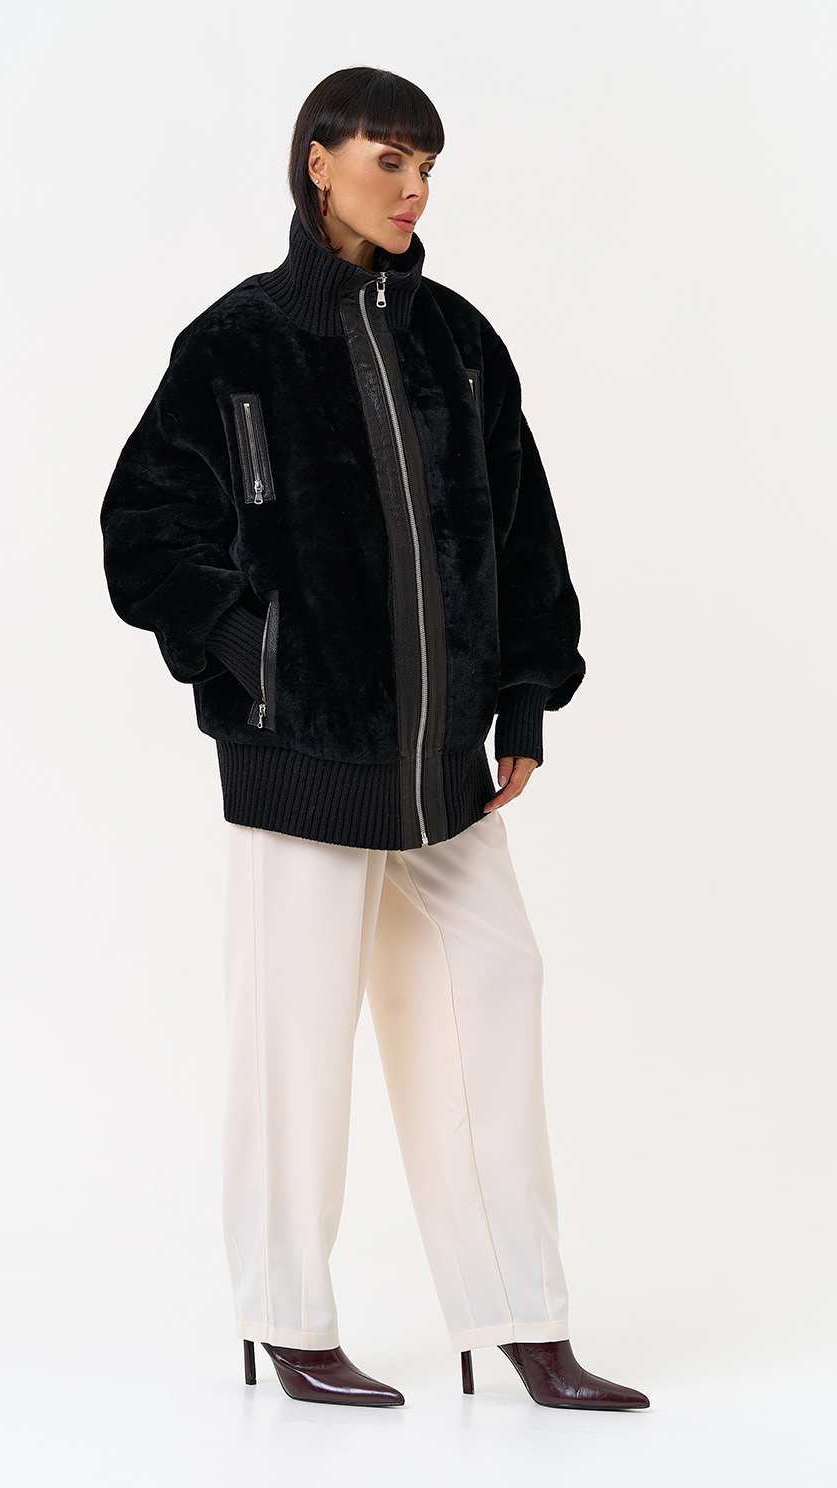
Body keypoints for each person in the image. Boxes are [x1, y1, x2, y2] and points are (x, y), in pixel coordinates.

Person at [100, 67, 648, 1412]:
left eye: (427, 168)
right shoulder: (237, 343)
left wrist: (525, 692)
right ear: (319, 161)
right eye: (390, 160)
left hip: (446, 766)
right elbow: (145, 530)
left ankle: (518, 1318)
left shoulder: (458, 340)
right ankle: (286, 1319)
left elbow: (520, 526)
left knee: (492, 995)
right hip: (304, 757)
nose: (413, 189)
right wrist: (258, 657)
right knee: (295, 1044)